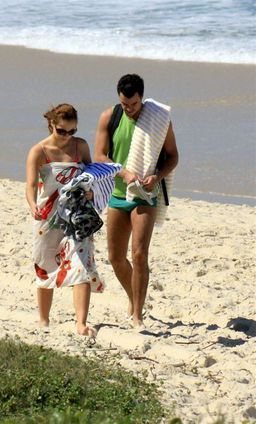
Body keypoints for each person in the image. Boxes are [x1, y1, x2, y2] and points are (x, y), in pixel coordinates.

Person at [94, 74, 178, 330]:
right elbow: (99, 155)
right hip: (118, 194)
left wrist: (157, 175)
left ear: (142, 98)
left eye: (134, 104)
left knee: (139, 254)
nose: (129, 109)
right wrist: (124, 172)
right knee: (115, 257)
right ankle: (134, 298)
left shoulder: (159, 119)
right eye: (125, 104)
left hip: (145, 195)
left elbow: (173, 157)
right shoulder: (110, 117)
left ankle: (137, 315)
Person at [26, 103, 103, 337]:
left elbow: (92, 175)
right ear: (51, 125)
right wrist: (32, 205)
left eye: (72, 131)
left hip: (77, 215)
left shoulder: (81, 147)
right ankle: (43, 319)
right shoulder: (39, 151)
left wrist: (91, 191)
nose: (67, 136)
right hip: (48, 217)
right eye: (62, 131)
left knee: (81, 264)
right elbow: (30, 184)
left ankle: (81, 323)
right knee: (45, 265)